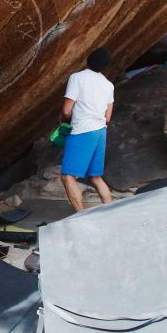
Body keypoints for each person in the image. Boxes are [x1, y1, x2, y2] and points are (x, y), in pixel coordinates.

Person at [59, 46, 114, 212]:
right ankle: (111, 212)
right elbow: (108, 118)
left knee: (67, 176)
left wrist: (65, 120)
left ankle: (81, 216)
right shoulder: (108, 85)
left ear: (88, 59)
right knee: (95, 177)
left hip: (83, 130)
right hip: (100, 132)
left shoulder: (77, 78)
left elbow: (66, 110)